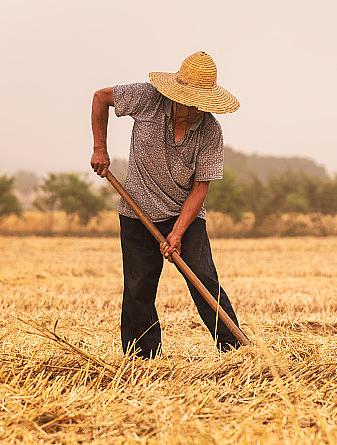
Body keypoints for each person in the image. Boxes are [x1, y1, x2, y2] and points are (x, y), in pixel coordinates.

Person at [90, 51, 245, 356]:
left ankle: (236, 352)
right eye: (191, 101)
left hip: (184, 214)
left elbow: (200, 188)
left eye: (203, 103)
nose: (197, 109)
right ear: (177, 94)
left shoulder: (211, 131)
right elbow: (99, 97)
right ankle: (143, 360)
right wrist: (99, 149)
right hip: (137, 212)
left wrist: (178, 232)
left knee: (204, 279)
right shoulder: (146, 98)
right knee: (139, 289)